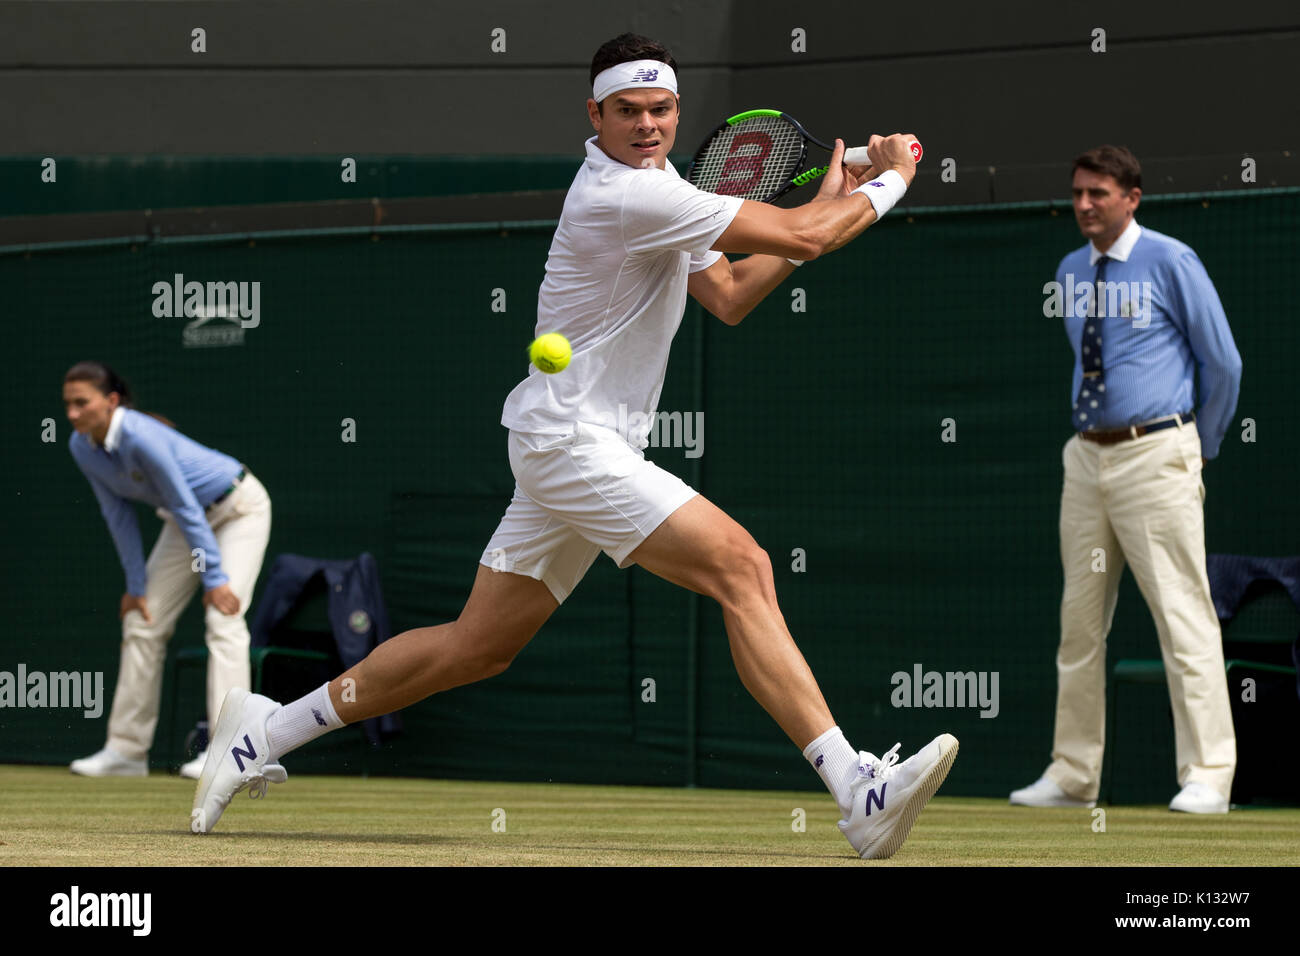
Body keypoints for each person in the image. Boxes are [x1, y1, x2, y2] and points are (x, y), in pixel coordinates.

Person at [192, 32, 957, 859]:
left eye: (661, 108)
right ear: (595, 115)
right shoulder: (626, 198)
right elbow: (807, 235)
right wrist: (890, 180)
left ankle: (260, 732)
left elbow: (732, 291)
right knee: (746, 567)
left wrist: (842, 198)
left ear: (676, 110)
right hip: (572, 443)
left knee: (474, 647)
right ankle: (857, 789)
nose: (647, 124)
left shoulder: (665, 188)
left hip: (571, 444)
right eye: (627, 111)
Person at [1011, 145, 1242, 814]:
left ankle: (1209, 776)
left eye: (1099, 194)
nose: (1084, 205)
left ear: (1132, 198)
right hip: (1085, 459)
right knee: (1078, 625)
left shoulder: (1171, 260)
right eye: (1078, 192)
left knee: (1183, 617)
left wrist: (1201, 445)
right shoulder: (1068, 270)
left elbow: (1222, 362)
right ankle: (1073, 774)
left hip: (1159, 454)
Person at [63, 361, 272, 779]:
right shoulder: (81, 446)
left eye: (81, 403)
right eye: (67, 404)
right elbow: (116, 513)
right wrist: (135, 585)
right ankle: (125, 751)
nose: (72, 414)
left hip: (238, 509)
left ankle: (231, 752)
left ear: (111, 401)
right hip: (186, 524)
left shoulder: (141, 436)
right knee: (142, 620)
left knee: (223, 617)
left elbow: (182, 502)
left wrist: (214, 578)